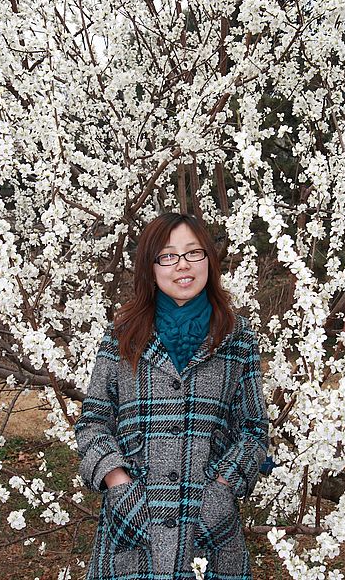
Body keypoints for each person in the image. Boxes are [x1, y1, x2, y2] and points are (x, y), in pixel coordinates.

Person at [74, 212, 269, 580]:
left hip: (209, 530)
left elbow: (255, 429)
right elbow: (93, 423)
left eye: (194, 253)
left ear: (209, 260)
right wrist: (119, 484)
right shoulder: (121, 336)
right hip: (132, 527)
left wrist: (220, 492)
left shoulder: (237, 337)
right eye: (168, 256)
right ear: (150, 267)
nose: (183, 266)